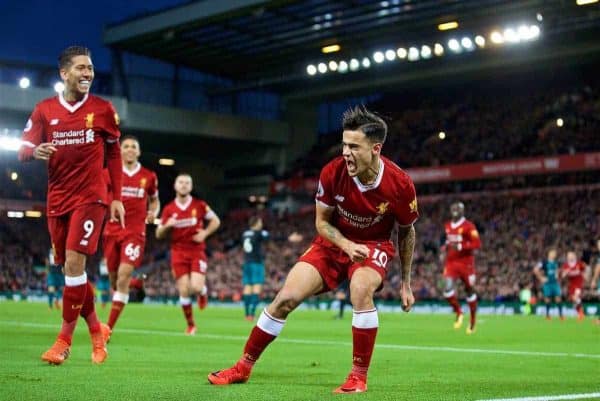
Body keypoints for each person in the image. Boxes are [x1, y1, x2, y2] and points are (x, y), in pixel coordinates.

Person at [208, 105, 418, 393]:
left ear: (376, 148)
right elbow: (321, 222)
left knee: (360, 289)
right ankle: (243, 366)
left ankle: (358, 377)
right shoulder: (332, 172)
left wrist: (406, 282)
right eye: (344, 144)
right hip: (333, 242)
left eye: (354, 146)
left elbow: (406, 232)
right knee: (286, 298)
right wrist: (345, 244)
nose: (346, 152)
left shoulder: (401, 184)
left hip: (374, 245)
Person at [18, 46, 124, 365]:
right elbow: (23, 148)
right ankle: (96, 331)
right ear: (64, 73)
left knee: (75, 267)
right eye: (81, 68)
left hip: (91, 197)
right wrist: (34, 151)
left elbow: (114, 154)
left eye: (90, 68)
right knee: (70, 272)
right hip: (57, 200)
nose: (88, 73)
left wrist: (116, 195)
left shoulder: (103, 110)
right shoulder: (44, 110)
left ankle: (63, 342)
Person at [101, 135, 159, 341]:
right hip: (111, 231)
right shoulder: (109, 174)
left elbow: (154, 200)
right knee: (115, 281)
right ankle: (136, 284)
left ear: (139, 151)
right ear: (120, 150)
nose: (130, 149)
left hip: (135, 232)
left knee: (123, 274)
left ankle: (107, 327)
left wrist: (153, 212)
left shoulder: (148, 176)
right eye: (125, 146)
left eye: (134, 146)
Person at [156, 173, 220, 334]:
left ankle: (203, 292)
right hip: (178, 252)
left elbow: (216, 221)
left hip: (196, 251)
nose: (184, 185)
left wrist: (205, 233)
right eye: (181, 182)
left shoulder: (199, 205)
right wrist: (166, 226)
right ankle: (191, 324)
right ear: (175, 186)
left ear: (191, 187)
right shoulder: (169, 209)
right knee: (184, 290)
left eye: (187, 183)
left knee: (196, 287)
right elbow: (158, 234)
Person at [440, 202, 481, 334]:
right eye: (453, 208)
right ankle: (459, 312)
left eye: (458, 209)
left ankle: (473, 321)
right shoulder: (447, 226)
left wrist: (461, 246)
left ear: (463, 211)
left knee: (469, 291)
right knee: (447, 289)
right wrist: (444, 248)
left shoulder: (469, 226)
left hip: (466, 263)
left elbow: (477, 243)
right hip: (451, 262)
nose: (455, 211)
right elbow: (448, 241)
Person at [241, 216, 269, 321]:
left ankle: (246, 314)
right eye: (260, 222)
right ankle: (251, 314)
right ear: (256, 223)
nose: (261, 224)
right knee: (257, 287)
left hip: (247, 263)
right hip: (256, 263)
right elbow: (269, 237)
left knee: (247, 287)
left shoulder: (244, 234)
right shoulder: (259, 233)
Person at [534, 249, 564, 320]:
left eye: (555, 253)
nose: (554, 254)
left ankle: (561, 315)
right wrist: (541, 278)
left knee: (558, 298)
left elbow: (558, 272)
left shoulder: (557, 263)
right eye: (552, 253)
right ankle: (547, 315)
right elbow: (535, 269)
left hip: (555, 283)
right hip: (547, 283)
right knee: (547, 298)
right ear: (549, 254)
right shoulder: (543, 262)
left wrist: (558, 275)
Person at [560, 251, 588, 321]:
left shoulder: (579, 263)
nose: (570, 257)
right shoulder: (566, 265)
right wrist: (565, 273)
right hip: (571, 285)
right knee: (574, 300)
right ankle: (580, 313)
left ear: (574, 256)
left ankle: (581, 313)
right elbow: (562, 276)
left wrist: (585, 276)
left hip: (579, 284)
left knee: (576, 297)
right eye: (568, 256)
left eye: (571, 255)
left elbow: (585, 269)